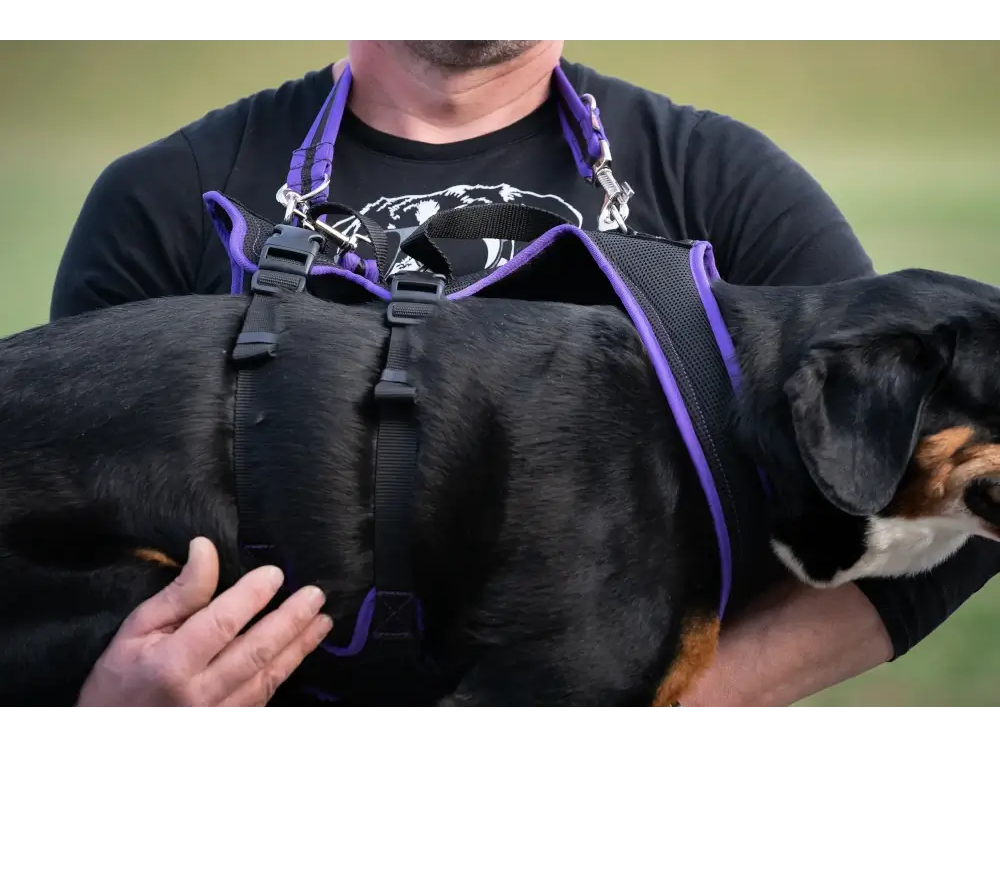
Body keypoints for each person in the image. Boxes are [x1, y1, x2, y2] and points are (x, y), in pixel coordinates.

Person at [51, 36, 1000, 712]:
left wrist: (656, 692)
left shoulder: (723, 183)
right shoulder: (164, 198)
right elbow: (45, 513)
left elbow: (904, 478)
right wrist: (95, 692)